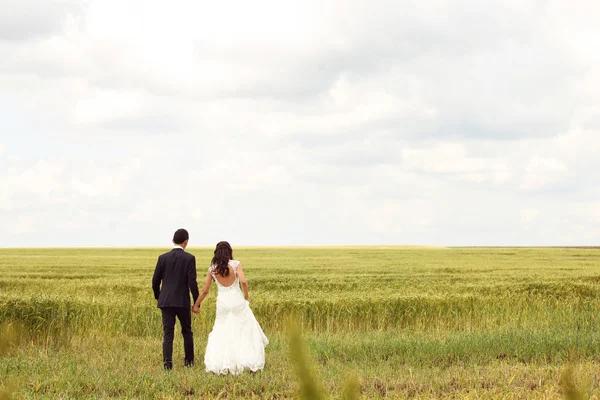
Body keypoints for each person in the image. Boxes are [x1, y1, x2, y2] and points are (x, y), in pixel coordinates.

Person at [192, 241, 269, 374]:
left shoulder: (212, 269)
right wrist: (246, 297)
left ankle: (221, 363)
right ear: (229, 251)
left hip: (222, 303)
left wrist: (196, 304)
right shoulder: (235, 264)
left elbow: (205, 290)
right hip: (237, 301)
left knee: (221, 331)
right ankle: (246, 361)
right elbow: (243, 282)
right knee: (243, 330)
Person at [152, 228, 199, 370]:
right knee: (187, 331)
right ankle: (189, 362)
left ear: (173, 241)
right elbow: (192, 282)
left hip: (165, 301)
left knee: (168, 333)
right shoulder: (189, 258)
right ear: (186, 242)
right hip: (182, 301)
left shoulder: (162, 258)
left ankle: (167, 364)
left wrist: (159, 296)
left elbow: (155, 281)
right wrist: (197, 302)